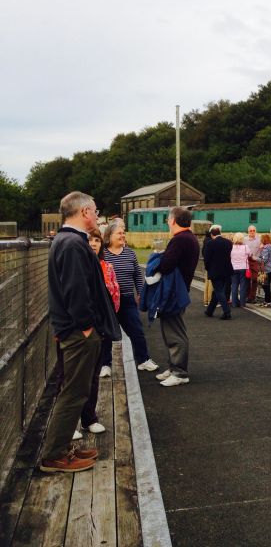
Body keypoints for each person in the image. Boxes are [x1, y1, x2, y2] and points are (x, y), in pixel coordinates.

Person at [40, 191, 120, 473]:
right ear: (85, 212)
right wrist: (86, 327)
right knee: (74, 392)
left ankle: (60, 447)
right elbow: (76, 291)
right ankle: (54, 455)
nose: (98, 216)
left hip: (73, 330)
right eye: (95, 210)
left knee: (76, 390)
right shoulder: (73, 244)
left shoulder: (65, 241)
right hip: (79, 332)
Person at [103, 219, 159, 374]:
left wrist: (140, 292)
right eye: (119, 233)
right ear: (109, 236)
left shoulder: (130, 253)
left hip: (127, 299)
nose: (123, 235)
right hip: (108, 301)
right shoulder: (102, 254)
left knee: (136, 330)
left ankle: (143, 360)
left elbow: (137, 275)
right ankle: (105, 364)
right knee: (107, 333)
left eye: (123, 233)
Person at [153, 207, 200, 387]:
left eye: (168, 219)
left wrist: (157, 260)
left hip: (174, 291)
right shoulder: (189, 238)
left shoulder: (180, 240)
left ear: (173, 220)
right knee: (170, 329)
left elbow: (166, 264)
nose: (167, 222)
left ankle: (180, 372)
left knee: (175, 331)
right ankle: (173, 367)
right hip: (179, 289)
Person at [203, 225, 233, 320]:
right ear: (220, 233)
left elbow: (207, 259)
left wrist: (208, 268)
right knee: (217, 291)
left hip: (215, 271)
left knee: (219, 291)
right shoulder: (228, 243)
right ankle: (210, 310)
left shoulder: (210, 244)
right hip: (226, 270)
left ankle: (227, 312)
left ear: (212, 234)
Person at [230, 232, 251, 308]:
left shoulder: (231, 247)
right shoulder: (245, 247)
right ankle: (242, 303)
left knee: (234, 286)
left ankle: (234, 303)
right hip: (243, 268)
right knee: (243, 286)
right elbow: (250, 254)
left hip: (233, 268)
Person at [244, 225, 263, 303]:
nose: (252, 232)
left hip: (255, 261)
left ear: (256, 231)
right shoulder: (244, 239)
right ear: (248, 232)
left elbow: (263, 249)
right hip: (247, 260)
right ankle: (247, 296)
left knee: (255, 279)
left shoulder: (259, 239)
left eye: (253, 230)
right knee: (247, 279)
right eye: (250, 231)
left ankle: (252, 296)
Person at [259, 233, 271, 306]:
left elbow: (264, 259)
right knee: (266, 285)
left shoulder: (266, 248)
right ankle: (268, 300)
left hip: (266, 269)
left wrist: (256, 258)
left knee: (265, 285)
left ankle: (268, 301)